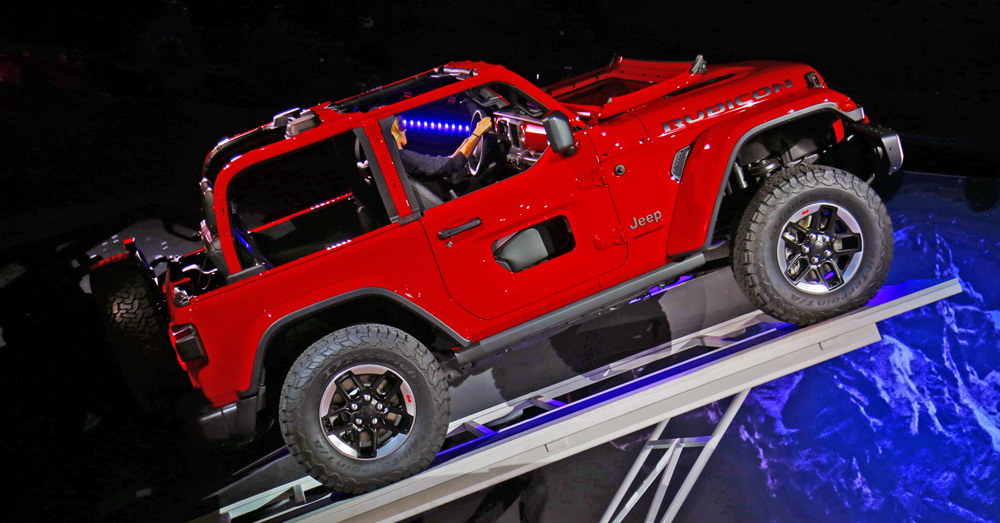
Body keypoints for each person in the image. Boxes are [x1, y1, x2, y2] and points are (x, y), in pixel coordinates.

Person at [392, 115, 493, 187]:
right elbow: (452, 165)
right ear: (393, 131)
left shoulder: (400, 158)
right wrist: (479, 131)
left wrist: (468, 142)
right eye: (400, 125)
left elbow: (446, 163)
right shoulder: (402, 158)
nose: (405, 129)